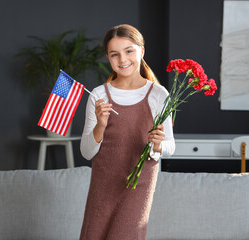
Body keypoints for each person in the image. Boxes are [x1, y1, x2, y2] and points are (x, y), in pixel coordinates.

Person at [79, 24, 175, 240]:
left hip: (138, 185)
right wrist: (100, 125)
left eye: (129, 51)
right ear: (108, 58)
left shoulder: (158, 94)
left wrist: (159, 145)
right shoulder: (98, 95)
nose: (122, 60)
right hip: (103, 187)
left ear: (142, 51)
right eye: (115, 54)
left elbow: (170, 146)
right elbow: (86, 152)